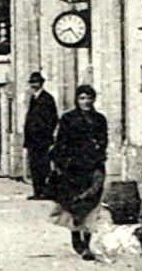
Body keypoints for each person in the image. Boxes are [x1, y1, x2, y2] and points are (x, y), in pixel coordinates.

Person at [48, 83, 108, 260]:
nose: (86, 101)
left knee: (92, 203)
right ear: (77, 100)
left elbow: (104, 141)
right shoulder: (68, 119)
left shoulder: (100, 119)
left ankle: (87, 243)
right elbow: (61, 143)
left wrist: (99, 158)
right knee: (74, 203)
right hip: (73, 168)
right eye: (82, 98)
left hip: (93, 166)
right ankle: (76, 238)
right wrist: (60, 164)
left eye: (89, 98)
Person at [21, 72, 58, 200]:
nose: (34, 85)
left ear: (41, 83)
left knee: (43, 166)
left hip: (42, 139)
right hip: (33, 139)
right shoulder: (34, 98)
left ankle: (44, 191)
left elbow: (52, 119)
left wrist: (46, 134)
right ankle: (37, 191)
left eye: (36, 82)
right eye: (32, 82)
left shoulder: (47, 98)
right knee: (34, 166)